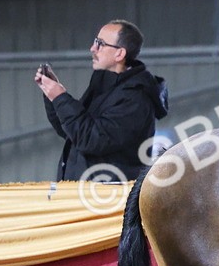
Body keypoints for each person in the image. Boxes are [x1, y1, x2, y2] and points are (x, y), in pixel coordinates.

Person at [35, 19, 169, 182]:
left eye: (100, 43)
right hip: (85, 195)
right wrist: (52, 96)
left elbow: (91, 139)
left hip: (105, 201)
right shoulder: (104, 86)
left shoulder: (135, 98)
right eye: (94, 42)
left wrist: (60, 97)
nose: (93, 49)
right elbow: (71, 132)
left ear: (119, 53)